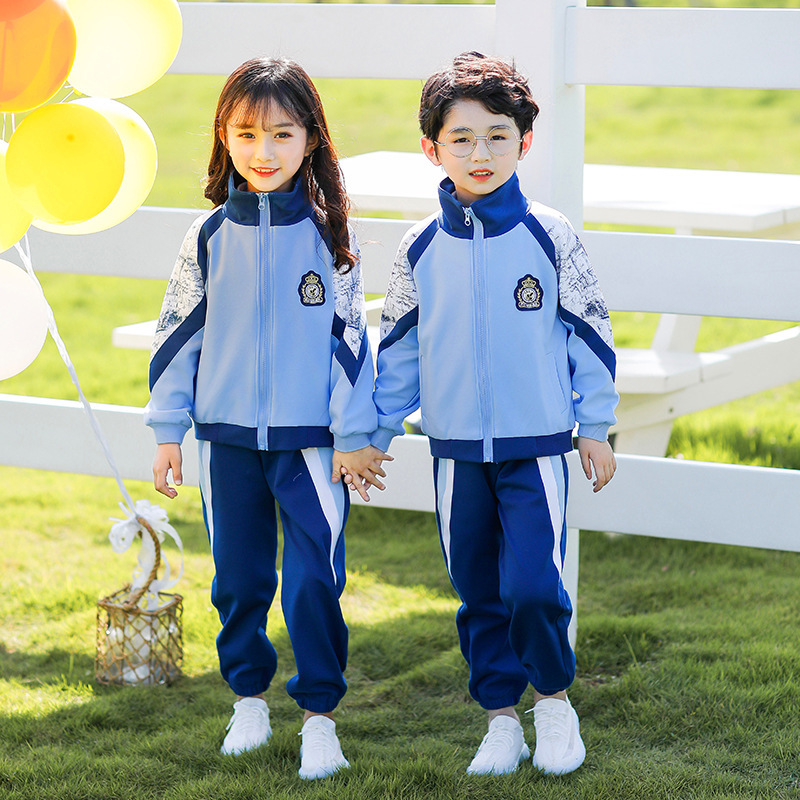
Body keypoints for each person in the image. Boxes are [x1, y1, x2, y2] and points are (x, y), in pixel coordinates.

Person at [370, 52, 619, 777]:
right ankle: (500, 720)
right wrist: (375, 433)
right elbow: (399, 352)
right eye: (462, 139)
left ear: (524, 142)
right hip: (454, 453)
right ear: (432, 149)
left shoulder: (550, 234)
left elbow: (590, 333)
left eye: (497, 137)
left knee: (534, 587)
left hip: (535, 447)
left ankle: (555, 704)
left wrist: (594, 426)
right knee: (478, 589)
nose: (480, 154)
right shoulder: (419, 247)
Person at [145, 56, 387, 779]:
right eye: (247, 134)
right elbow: (176, 337)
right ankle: (248, 700)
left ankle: (319, 718)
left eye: (282, 134)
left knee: (313, 580)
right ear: (224, 136)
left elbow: (352, 345)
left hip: (312, 447)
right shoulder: (206, 236)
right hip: (226, 443)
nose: (264, 151)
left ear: (310, 139)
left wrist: (353, 435)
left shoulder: (331, 238)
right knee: (239, 580)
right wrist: (168, 432)